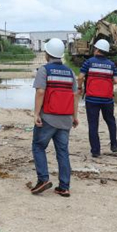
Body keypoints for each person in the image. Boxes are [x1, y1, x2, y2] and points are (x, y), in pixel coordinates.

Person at [29, 38, 80, 197]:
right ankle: (64, 187)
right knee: (63, 152)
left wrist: (36, 113)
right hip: (65, 119)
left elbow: (40, 92)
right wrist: (74, 116)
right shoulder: (70, 72)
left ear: (47, 54)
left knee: (38, 146)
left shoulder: (44, 70)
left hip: (48, 118)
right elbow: (75, 95)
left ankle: (43, 179)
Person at [79, 39, 117, 158]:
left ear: (96, 49)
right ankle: (114, 144)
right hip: (107, 99)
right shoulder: (111, 64)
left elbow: (80, 77)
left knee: (93, 124)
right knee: (110, 121)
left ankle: (96, 150)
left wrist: (80, 87)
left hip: (92, 99)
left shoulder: (89, 62)